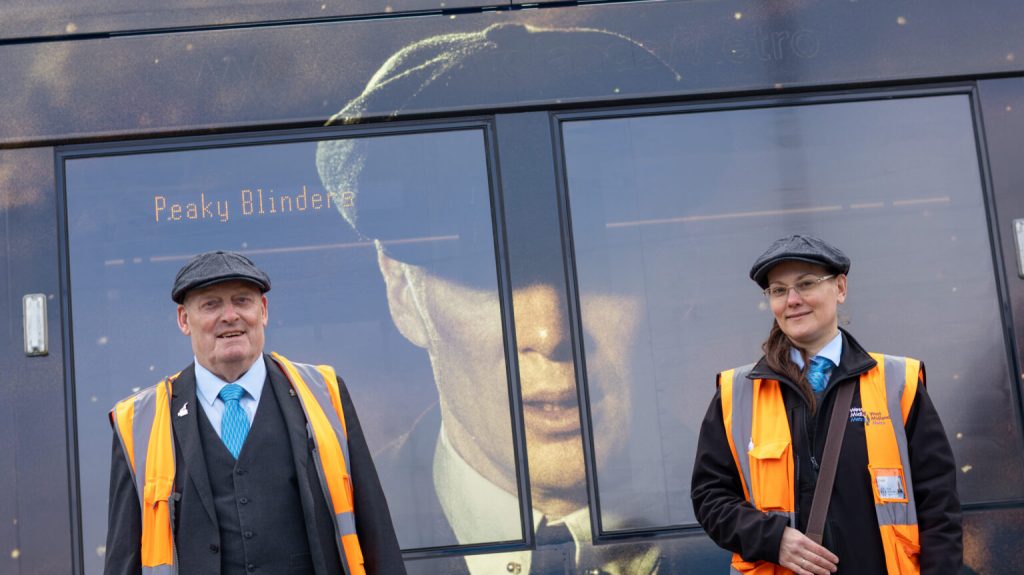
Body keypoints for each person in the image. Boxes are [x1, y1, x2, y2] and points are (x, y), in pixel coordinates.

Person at [316, 23, 683, 575]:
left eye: (593, 270)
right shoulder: (325, 537)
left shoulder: (757, 501)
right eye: (485, 278)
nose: (549, 333)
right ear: (402, 291)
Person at [103, 250, 405, 575]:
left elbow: (375, 528)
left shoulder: (324, 393)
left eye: (242, 301)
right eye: (211, 304)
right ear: (184, 320)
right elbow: (124, 559)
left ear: (263, 311)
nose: (230, 316)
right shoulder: (139, 422)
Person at [691, 235, 962, 574]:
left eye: (806, 284)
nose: (792, 300)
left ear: (840, 288)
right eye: (778, 290)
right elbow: (710, 497)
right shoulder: (736, 393)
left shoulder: (899, 383)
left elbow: (939, 507)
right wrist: (773, 539)